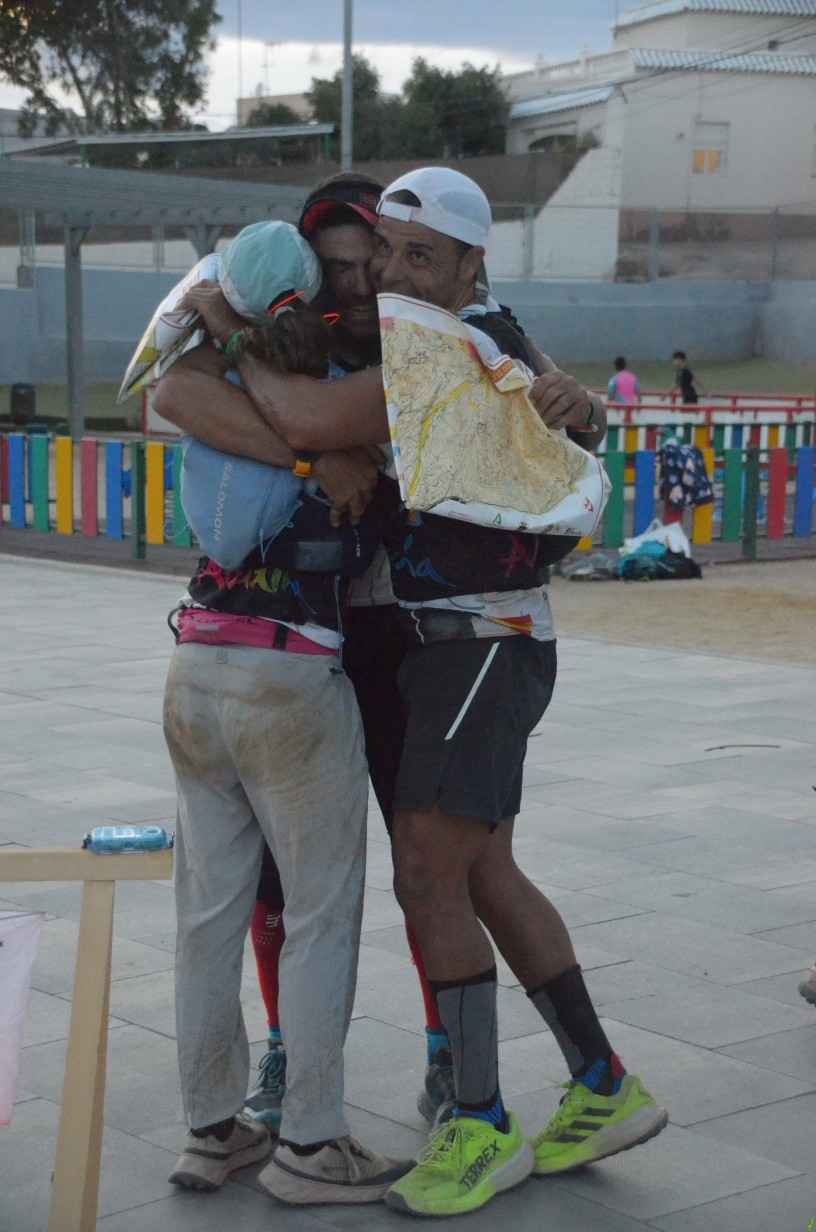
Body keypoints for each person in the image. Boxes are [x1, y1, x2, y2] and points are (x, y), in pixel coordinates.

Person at [178, 166, 668, 1218]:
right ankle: (600, 1083)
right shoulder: (434, 325)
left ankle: (479, 1118)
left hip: (474, 637)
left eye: (412, 257)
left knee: (427, 869)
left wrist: (230, 333)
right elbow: (196, 399)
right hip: (437, 639)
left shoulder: (440, 341)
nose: (388, 276)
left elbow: (306, 412)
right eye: (375, 257)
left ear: (468, 266)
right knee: (479, 868)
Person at [160, 224, 411, 1204]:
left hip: (193, 664)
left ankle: (211, 1131)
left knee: (205, 918)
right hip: (293, 677)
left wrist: (220, 323)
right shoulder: (341, 386)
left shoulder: (208, 371)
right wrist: (315, 463)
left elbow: (168, 392)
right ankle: (310, 1140)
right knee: (318, 915)